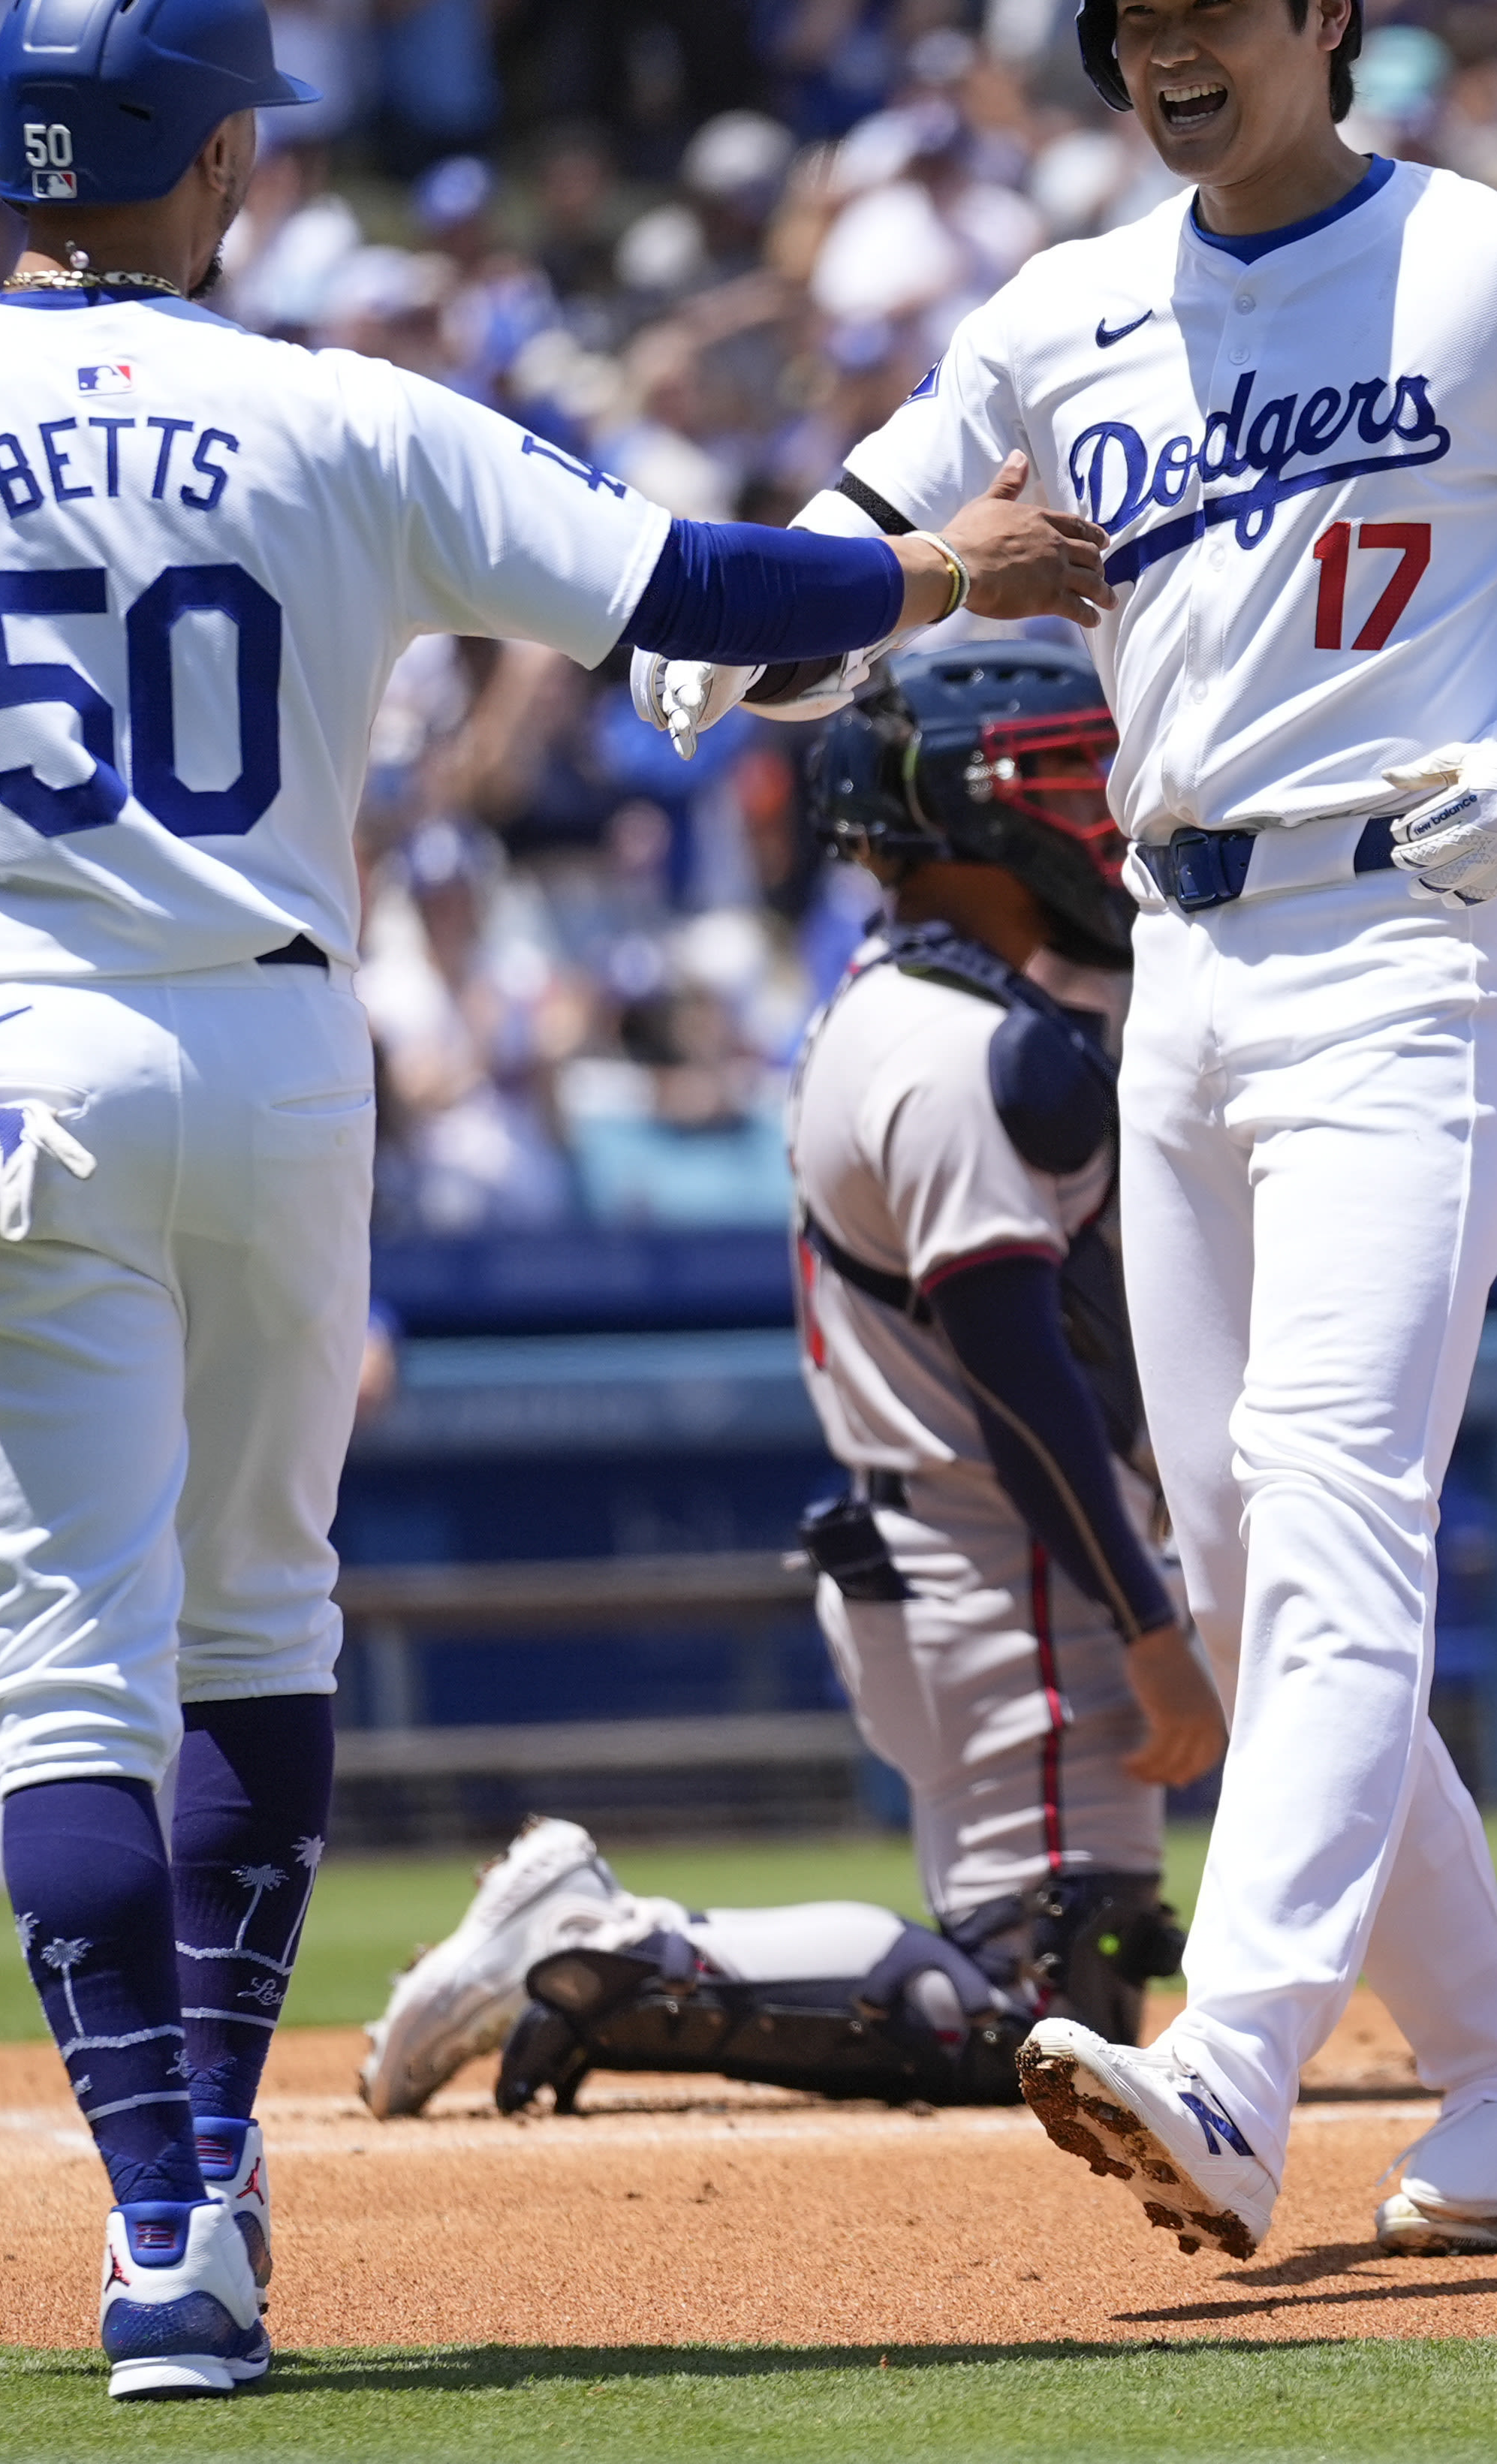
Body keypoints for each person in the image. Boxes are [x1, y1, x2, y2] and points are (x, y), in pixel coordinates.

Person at [0, 0, 1108, 2402]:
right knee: (257, 1625)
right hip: (287, 1050)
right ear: (219, 157)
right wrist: (952, 565)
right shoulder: (331, 410)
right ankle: (217, 2143)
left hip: (9, 1066)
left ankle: (162, 2219)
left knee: (73, 1667)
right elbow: (690, 590)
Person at [646, 0, 1497, 2264]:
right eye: (1128, 16)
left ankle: (1241, 2058)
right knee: (1266, 1537)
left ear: (1325, 23)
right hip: (1174, 965)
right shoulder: (1070, 307)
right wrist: (726, 605)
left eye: (1212, 6)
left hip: (1421, 935)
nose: (1163, 49)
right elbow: (850, 538)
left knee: (1328, 1497)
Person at [353, 646, 1227, 2118]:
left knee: (1068, 1984)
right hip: (1002, 1563)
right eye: (1063, 782)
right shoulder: (959, 1049)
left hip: (957, 1555)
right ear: (960, 816)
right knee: (1042, 2013)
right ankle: (606, 1943)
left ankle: (615, 1950)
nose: (1099, 814)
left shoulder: (916, 994)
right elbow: (1018, 1371)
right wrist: (1146, 1620)